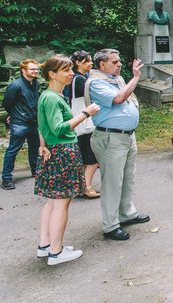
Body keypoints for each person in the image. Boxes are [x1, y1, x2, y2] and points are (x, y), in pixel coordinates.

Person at [36, 54, 100, 265]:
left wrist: (42, 144)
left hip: (53, 151)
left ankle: (45, 245)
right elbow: (58, 128)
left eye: (71, 69)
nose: (71, 73)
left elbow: (43, 126)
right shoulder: (53, 97)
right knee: (61, 203)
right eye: (66, 70)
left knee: (52, 202)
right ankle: (56, 251)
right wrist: (85, 113)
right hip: (63, 152)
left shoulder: (47, 96)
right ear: (52, 74)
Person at [87, 49, 150, 241]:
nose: (119, 64)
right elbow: (119, 99)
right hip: (110, 138)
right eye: (114, 62)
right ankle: (110, 225)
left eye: (119, 60)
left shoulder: (116, 80)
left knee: (127, 178)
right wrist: (136, 77)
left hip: (126, 137)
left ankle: (126, 213)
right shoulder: (97, 82)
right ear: (102, 65)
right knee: (112, 183)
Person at [63, 51, 100, 198]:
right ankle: (87, 186)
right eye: (87, 61)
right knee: (92, 158)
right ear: (78, 63)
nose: (90, 64)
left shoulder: (75, 78)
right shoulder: (79, 80)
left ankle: (81, 184)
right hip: (85, 122)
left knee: (85, 156)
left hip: (78, 121)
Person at [2, 59, 40, 190]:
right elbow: (7, 103)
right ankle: (6, 178)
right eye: (32, 69)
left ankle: (35, 171)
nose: (35, 71)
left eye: (36, 69)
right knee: (13, 150)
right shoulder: (15, 85)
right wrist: (14, 115)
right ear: (24, 71)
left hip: (34, 122)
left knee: (35, 148)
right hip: (20, 123)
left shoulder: (35, 83)